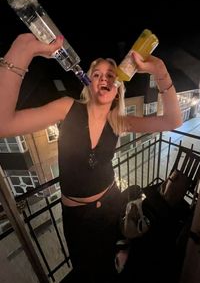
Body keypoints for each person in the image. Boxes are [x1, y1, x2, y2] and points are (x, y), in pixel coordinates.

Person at [0, 33, 182, 282]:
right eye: (97, 74)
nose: (104, 78)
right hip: (79, 219)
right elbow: (4, 124)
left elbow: (173, 120)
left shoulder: (119, 122)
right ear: (88, 82)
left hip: (113, 205)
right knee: (88, 273)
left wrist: (159, 70)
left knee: (116, 269)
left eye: (111, 75)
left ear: (118, 85)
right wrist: (22, 50)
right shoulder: (67, 108)